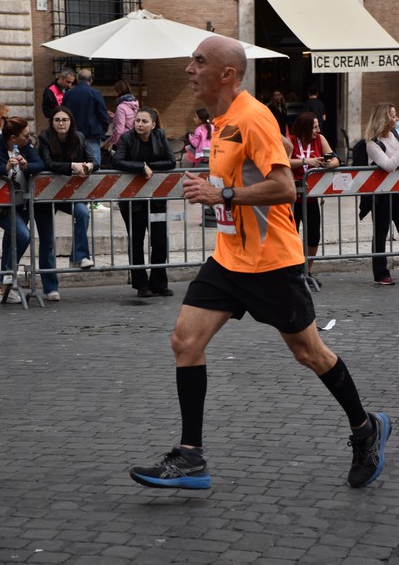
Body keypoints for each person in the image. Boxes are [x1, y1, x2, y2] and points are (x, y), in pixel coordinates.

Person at [129, 36, 391, 491]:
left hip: (271, 262)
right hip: (229, 259)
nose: (189, 69)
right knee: (184, 341)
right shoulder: (221, 119)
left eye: (199, 61)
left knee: (309, 352)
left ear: (227, 74)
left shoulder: (254, 116)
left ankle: (366, 428)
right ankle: (191, 457)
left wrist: (222, 194)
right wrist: (214, 187)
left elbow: (285, 188)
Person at [113, 107, 176, 297]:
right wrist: (141, 167)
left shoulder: (160, 136)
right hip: (133, 200)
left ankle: (159, 282)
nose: (140, 124)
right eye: (137, 120)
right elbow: (117, 161)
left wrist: (149, 167)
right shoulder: (127, 138)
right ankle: (141, 284)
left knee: (159, 240)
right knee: (137, 239)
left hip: (156, 200)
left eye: (144, 121)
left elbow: (171, 161)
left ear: (153, 124)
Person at [38, 106, 99, 298]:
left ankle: (79, 256)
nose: (61, 123)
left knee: (82, 212)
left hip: (69, 194)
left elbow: (95, 161)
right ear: (52, 122)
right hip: (45, 197)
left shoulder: (79, 137)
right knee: (47, 241)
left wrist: (90, 165)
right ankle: (50, 287)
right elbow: (48, 164)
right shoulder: (45, 137)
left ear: (71, 122)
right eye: (57, 120)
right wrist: (72, 166)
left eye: (65, 120)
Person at [289, 112, 339, 285]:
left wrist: (328, 164)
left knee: (313, 236)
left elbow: (335, 159)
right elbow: (283, 161)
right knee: (291, 236)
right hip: (292, 198)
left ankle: (307, 270)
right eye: (315, 127)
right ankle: (292, 271)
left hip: (311, 197)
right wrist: (306, 161)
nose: (318, 130)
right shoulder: (291, 140)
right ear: (305, 128)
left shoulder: (320, 139)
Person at [0, 117, 44, 303]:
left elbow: (40, 164)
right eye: (25, 135)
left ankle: (4, 286)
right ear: (12, 137)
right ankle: (7, 279)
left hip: (20, 202)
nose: (29, 138)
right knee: (22, 235)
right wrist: (5, 167)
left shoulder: (27, 146)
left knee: (11, 240)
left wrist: (26, 166)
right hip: (2, 205)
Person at [63, 68, 110, 211]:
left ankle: (75, 197)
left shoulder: (69, 94)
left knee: (74, 165)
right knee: (93, 166)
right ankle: (94, 200)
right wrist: (103, 129)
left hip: (72, 135)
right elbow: (102, 114)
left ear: (77, 79)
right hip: (91, 135)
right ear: (91, 80)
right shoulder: (95, 93)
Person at [365, 102, 399, 285]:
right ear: (385, 119)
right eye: (393, 115)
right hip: (381, 195)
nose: (396, 118)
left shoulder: (395, 135)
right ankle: (380, 273)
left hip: (398, 192)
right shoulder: (372, 143)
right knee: (381, 231)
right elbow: (389, 166)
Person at [102, 80, 139, 151]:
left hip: (122, 142)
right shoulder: (134, 103)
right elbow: (129, 119)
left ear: (119, 92)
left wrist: (109, 142)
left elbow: (119, 130)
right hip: (133, 139)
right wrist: (115, 116)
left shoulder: (121, 107)